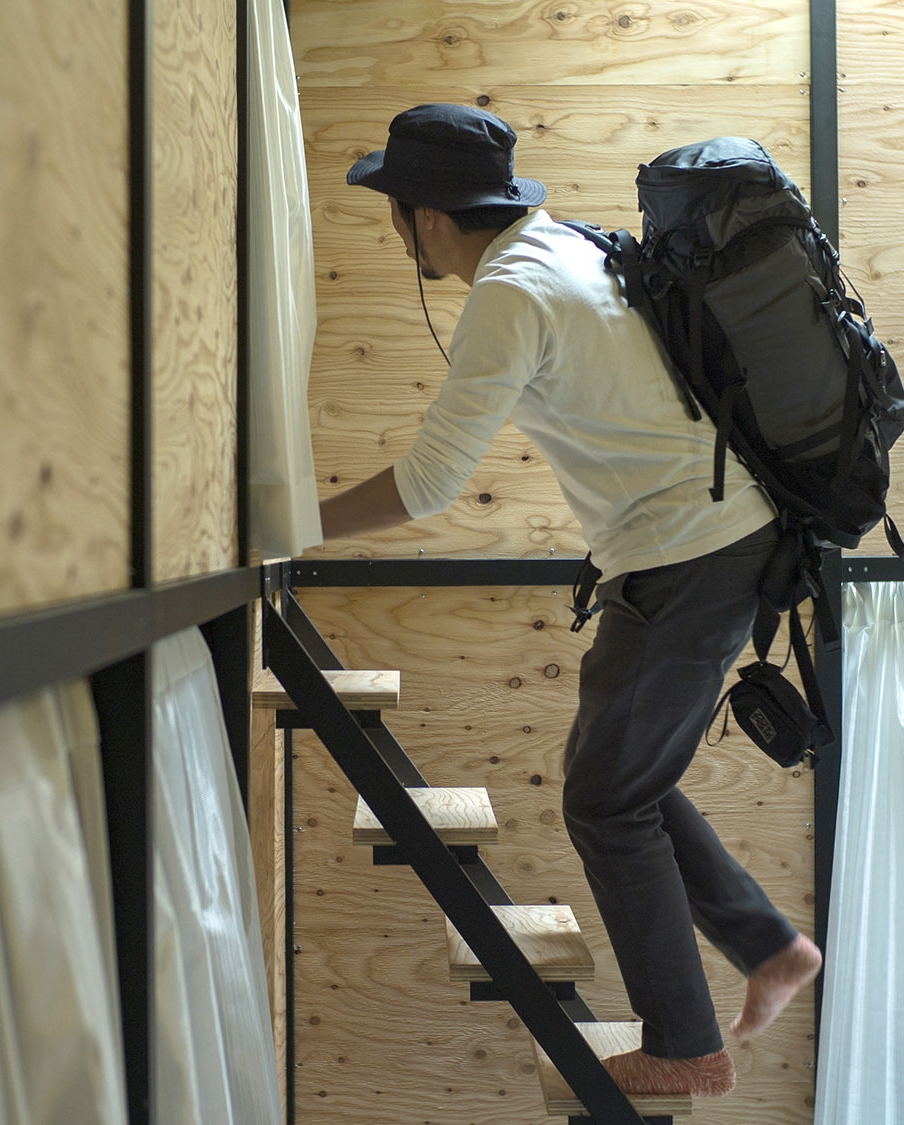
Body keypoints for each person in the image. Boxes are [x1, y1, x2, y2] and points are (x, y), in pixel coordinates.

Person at [318, 103, 824, 1099]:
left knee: (606, 797)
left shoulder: (508, 291)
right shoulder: (568, 246)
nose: (395, 232)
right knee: (622, 780)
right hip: (690, 548)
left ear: (423, 218)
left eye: (393, 212)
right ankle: (767, 949)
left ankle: (686, 1046)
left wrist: (283, 522)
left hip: (688, 555)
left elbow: (425, 485)